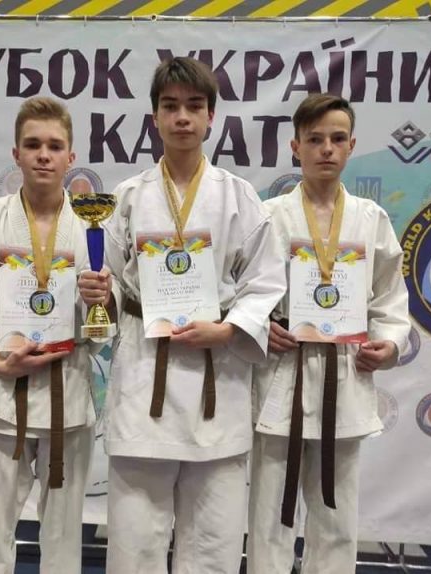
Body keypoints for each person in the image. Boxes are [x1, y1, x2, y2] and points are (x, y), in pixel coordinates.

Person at [79, 56, 287, 573]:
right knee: (135, 544)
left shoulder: (238, 196)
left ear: (211, 116)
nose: (182, 118)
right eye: (170, 107)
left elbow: (265, 281)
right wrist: (100, 294)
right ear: (154, 117)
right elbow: (110, 282)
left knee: (213, 544)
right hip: (144, 375)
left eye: (194, 106)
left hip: (217, 383)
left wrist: (228, 328)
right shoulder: (127, 197)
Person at [247, 93, 411, 573]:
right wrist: (260, 326)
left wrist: (390, 343)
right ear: (295, 146)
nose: (326, 149)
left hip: (345, 374)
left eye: (337, 139)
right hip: (282, 374)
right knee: (269, 516)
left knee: (336, 517)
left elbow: (389, 297)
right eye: (315, 139)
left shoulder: (370, 218)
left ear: (351, 145)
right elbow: (241, 290)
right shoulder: (268, 215)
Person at [0, 96, 95, 574]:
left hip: (68, 387)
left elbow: (105, 321)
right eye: (33, 145)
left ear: (71, 156)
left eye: (54, 146)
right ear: (16, 154)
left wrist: (102, 300)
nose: (43, 155)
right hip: (3, 388)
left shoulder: (93, 229)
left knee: (64, 535)